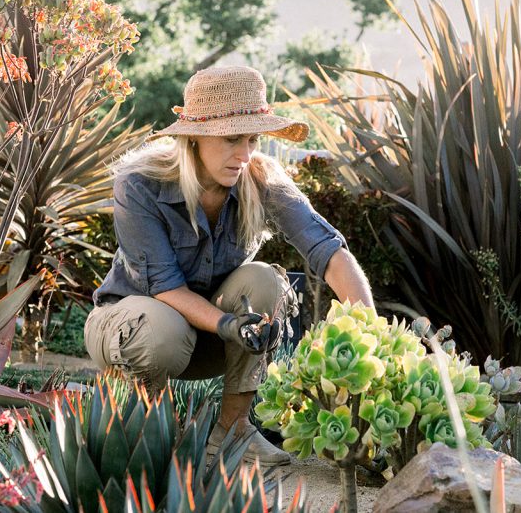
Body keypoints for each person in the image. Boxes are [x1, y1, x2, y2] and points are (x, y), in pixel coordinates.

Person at [84, 65, 375, 465]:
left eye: (253, 139)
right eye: (232, 139)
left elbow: (327, 250)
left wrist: (371, 334)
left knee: (264, 282)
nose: (245, 154)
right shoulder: (139, 184)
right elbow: (164, 286)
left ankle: (233, 431)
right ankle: (146, 429)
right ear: (195, 138)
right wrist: (229, 325)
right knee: (161, 329)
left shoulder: (260, 178)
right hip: (130, 330)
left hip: (209, 340)